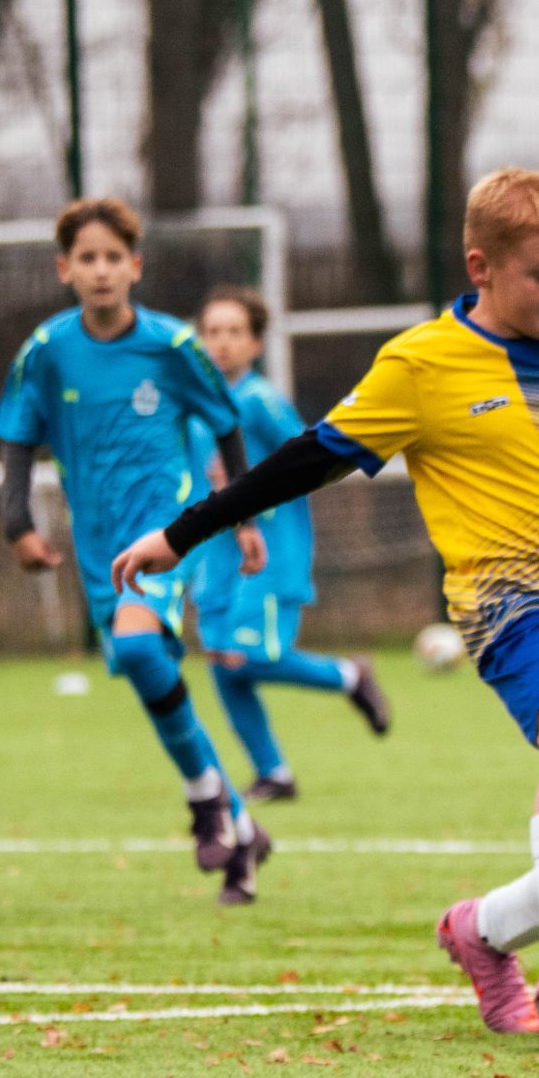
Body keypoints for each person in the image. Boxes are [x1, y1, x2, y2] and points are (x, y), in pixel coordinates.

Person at [109, 167, 539, 1046]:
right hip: (510, 605)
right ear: (481, 266)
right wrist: (184, 533)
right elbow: (304, 460)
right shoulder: (421, 365)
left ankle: (481, 932)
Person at [0, 197, 273, 904]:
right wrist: (17, 523)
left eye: (113, 257)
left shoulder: (172, 346)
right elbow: (19, 436)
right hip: (96, 546)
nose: (101, 270)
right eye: (86, 258)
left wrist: (243, 518)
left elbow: (226, 425)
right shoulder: (47, 350)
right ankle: (239, 826)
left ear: (136, 266)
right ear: (64, 269)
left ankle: (204, 798)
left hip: (164, 532)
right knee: (149, 677)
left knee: (143, 651)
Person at [183, 288, 394, 801]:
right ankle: (274, 774)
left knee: (249, 656)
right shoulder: (195, 407)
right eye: (213, 332)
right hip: (214, 556)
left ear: (256, 343)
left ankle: (348, 675)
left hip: (269, 550)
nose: (222, 342)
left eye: (235, 332)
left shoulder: (260, 401)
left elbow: (307, 459)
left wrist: (249, 486)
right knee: (223, 662)